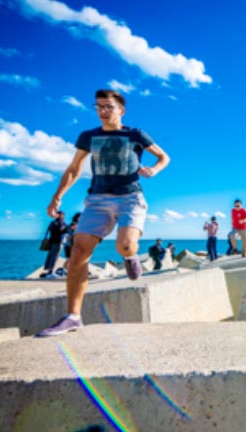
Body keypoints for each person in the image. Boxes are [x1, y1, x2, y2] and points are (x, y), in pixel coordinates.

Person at [36, 88, 170, 337]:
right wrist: (57, 196)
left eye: (108, 106)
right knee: (78, 253)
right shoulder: (88, 136)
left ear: (121, 110)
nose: (102, 111)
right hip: (97, 199)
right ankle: (73, 316)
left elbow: (164, 157)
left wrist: (154, 169)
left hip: (130, 197)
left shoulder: (135, 134)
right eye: (98, 106)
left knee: (126, 246)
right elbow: (75, 168)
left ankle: (130, 258)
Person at [41, 211, 67, 277]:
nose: (62, 216)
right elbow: (59, 231)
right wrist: (65, 229)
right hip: (58, 241)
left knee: (51, 255)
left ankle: (49, 270)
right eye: (61, 215)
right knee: (55, 256)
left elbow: (50, 230)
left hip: (52, 241)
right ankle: (51, 271)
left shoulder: (53, 222)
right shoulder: (60, 223)